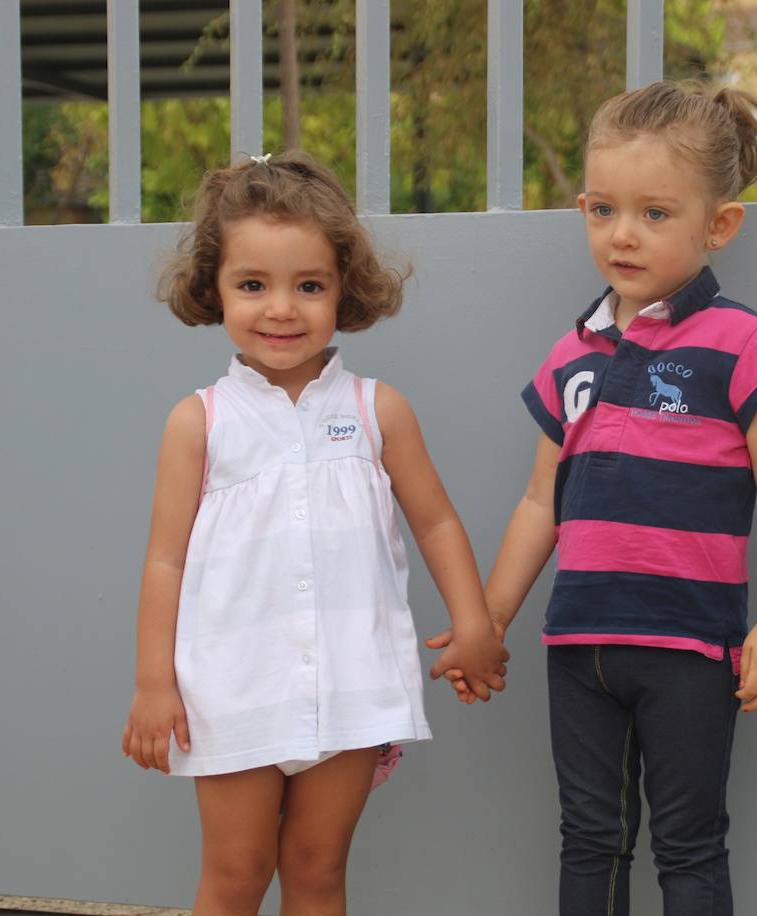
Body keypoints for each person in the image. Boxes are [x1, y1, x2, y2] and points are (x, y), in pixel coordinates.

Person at [435, 80, 757, 915]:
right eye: (603, 210)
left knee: (689, 845)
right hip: (578, 647)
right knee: (589, 840)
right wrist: (489, 619)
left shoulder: (744, 345)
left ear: (719, 225)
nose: (623, 235)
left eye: (655, 213)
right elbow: (543, 502)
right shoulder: (572, 352)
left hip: (690, 649)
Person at [121, 150, 508, 916]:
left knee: (319, 870)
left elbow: (435, 522)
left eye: (309, 286)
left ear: (343, 288)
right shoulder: (198, 423)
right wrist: (153, 685)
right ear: (214, 289)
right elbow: (165, 562)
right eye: (253, 285)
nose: (281, 310)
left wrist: (475, 623)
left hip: (352, 685)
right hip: (231, 692)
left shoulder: (376, 411)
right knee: (234, 876)